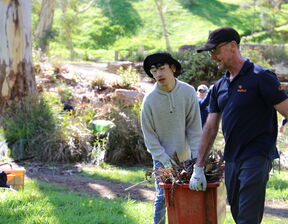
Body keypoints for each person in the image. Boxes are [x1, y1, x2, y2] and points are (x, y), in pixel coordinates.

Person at [189, 27, 288, 224]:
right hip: (232, 158)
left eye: (215, 50)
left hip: (257, 156)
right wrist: (198, 167)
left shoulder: (261, 77)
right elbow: (210, 128)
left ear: (233, 46)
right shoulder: (219, 86)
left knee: (247, 219)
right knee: (236, 213)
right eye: (210, 52)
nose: (213, 56)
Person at [141, 52, 202, 224]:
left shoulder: (189, 92)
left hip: (187, 158)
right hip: (162, 160)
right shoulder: (149, 100)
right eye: (154, 71)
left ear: (173, 69)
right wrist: (165, 161)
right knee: (162, 198)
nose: (158, 74)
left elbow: (195, 130)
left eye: (162, 68)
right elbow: (150, 138)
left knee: (189, 197)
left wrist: (197, 161)